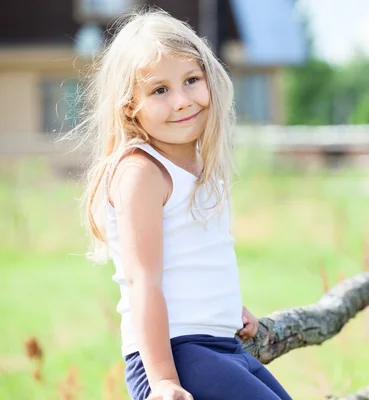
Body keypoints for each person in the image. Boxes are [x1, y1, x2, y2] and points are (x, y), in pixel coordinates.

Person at [72, 7, 293, 400]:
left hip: (219, 344)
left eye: (191, 80)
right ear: (129, 106)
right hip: (172, 354)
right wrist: (162, 381)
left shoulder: (200, 163)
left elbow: (195, 258)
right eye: (160, 90)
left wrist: (226, 308)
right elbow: (144, 282)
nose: (181, 101)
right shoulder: (141, 172)